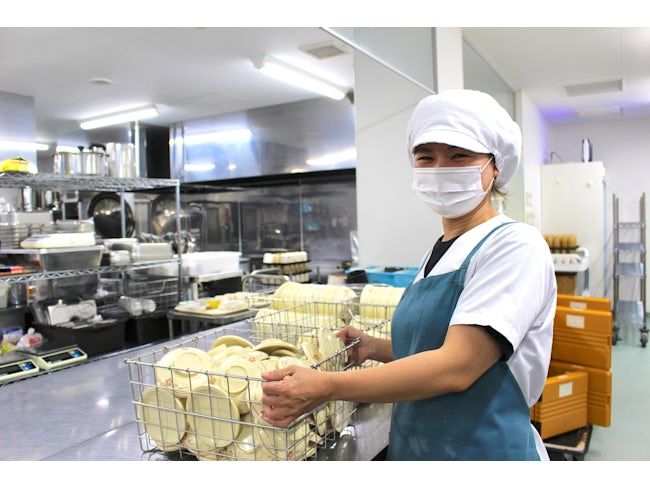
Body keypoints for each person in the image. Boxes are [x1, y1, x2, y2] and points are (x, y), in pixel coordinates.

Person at [260, 89, 556, 461]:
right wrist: (375, 348)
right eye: (426, 157)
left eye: (459, 155)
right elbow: (431, 346)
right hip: (418, 449)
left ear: (494, 166)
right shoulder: (441, 251)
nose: (440, 168)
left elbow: (458, 365)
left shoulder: (515, 245)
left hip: (484, 452)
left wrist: (327, 385)